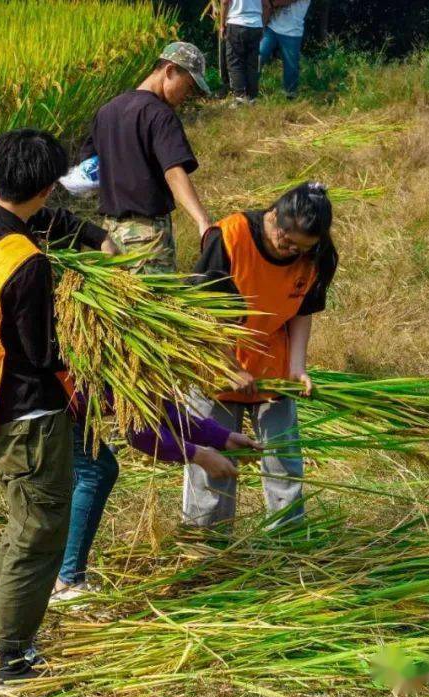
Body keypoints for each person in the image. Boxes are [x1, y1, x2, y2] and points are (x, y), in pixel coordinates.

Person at [0, 129, 114, 685]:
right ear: (44, 187)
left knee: (25, 525)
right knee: (38, 533)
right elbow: (44, 354)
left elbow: (41, 222)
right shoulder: (28, 265)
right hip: (29, 417)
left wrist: (88, 233)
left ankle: (8, 635)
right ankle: (13, 656)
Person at [183, 182, 337, 527]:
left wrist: (297, 368)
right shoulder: (229, 237)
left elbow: (302, 309)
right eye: (288, 240)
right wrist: (229, 366)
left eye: (302, 247)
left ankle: (286, 544)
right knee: (215, 461)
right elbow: (204, 313)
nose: (292, 251)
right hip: (216, 362)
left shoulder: (316, 256)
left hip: (271, 364)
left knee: (284, 462)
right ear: (275, 217)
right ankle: (206, 546)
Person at [53, 389, 261, 601]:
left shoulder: (142, 366)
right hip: (48, 403)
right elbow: (141, 432)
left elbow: (160, 413)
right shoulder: (123, 361)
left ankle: (56, 574)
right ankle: (67, 581)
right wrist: (199, 455)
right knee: (96, 471)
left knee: (89, 472)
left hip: (62, 405)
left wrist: (223, 438)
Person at [79, 42, 212, 274]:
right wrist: (202, 219)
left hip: (109, 237)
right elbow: (173, 172)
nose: (187, 95)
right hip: (147, 239)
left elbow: (88, 169)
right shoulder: (160, 115)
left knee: (120, 308)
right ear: (170, 71)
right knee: (157, 305)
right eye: (188, 86)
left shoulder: (107, 111)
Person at [260, 0, 312, 100]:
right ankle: (249, 89)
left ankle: (290, 94)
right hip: (272, 27)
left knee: (291, 66)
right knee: (258, 55)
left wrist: (271, 4)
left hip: (292, 31)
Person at [220, 0, 265, 102]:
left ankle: (240, 97)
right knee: (252, 63)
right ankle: (252, 96)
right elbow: (266, 4)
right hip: (256, 24)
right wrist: (263, 25)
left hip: (236, 22)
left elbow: (224, 2)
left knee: (235, 62)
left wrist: (222, 25)